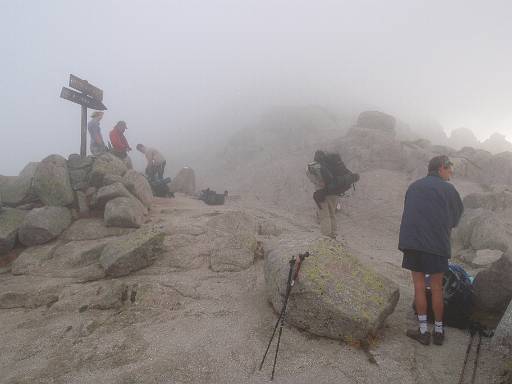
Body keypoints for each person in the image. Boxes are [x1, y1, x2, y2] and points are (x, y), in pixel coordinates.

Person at [399, 155, 463, 346]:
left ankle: (423, 331)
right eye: (450, 167)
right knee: (436, 288)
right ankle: (439, 331)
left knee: (419, 286)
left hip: (413, 243)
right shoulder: (449, 190)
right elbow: (455, 218)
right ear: (442, 167)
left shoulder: (414, 186)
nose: (452, 171)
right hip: (437, 245)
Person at [311, 150, 359, 239]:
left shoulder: (318, 166)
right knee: (332, 214)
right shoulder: (331, 166)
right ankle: (333, 235)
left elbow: (318, 181)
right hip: (334, 194)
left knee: (324, 215)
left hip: (323, 194)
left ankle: (326, 237)